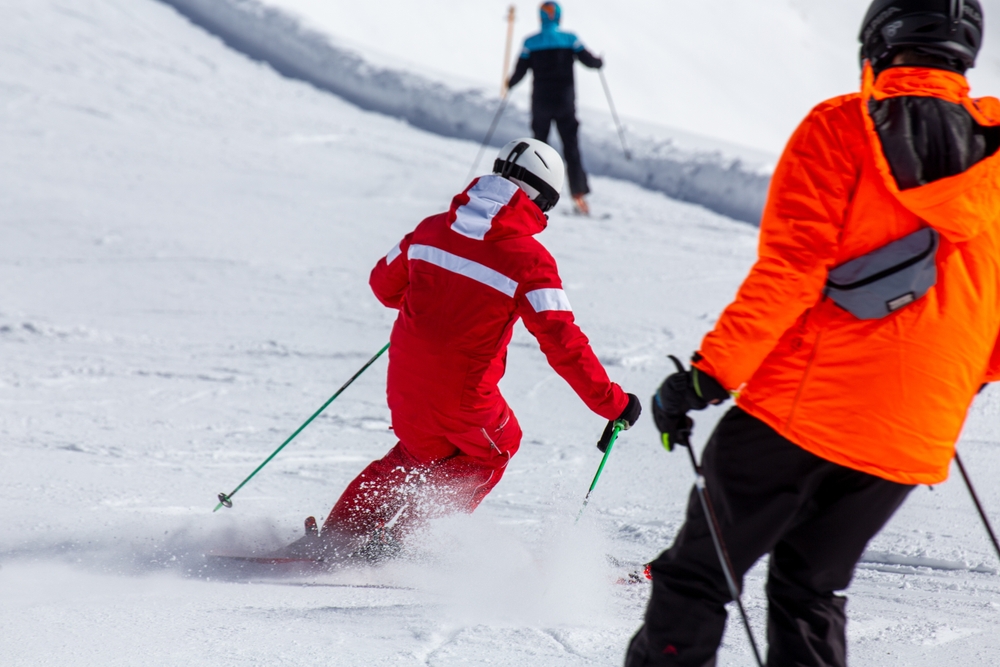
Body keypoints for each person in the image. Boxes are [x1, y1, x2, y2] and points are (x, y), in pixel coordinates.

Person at [627, 1, 1000, 665]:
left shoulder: (841, 128)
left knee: (697, 573)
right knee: (811, 588)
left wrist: (705, 376)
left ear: (879, 38)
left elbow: (791, 272)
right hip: (914, 431)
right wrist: (941, 381)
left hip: (804, 409)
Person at [285, 138, 640, 561]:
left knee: (415, 453)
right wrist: (612, 404)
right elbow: (563, 342)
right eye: (547, 205)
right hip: (465, 399)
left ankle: (338, 537)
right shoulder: (529, 259)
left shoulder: (430, 228)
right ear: (537, 198)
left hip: (405, 386)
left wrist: (437, 307)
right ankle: (405, 542)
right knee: (498, 445)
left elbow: (383, 285)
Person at [507, 2, 603, 216]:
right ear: (559, 17)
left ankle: (533, 198)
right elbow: (589, 61)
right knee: (571, 149)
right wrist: (599, 62)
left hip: (541, 102)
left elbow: (519, 72)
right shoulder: (570, 40)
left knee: (538, 151)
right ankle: (579, 196)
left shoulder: (530, 43)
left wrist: (510, 83)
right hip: (565, 102)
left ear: (540, 17)